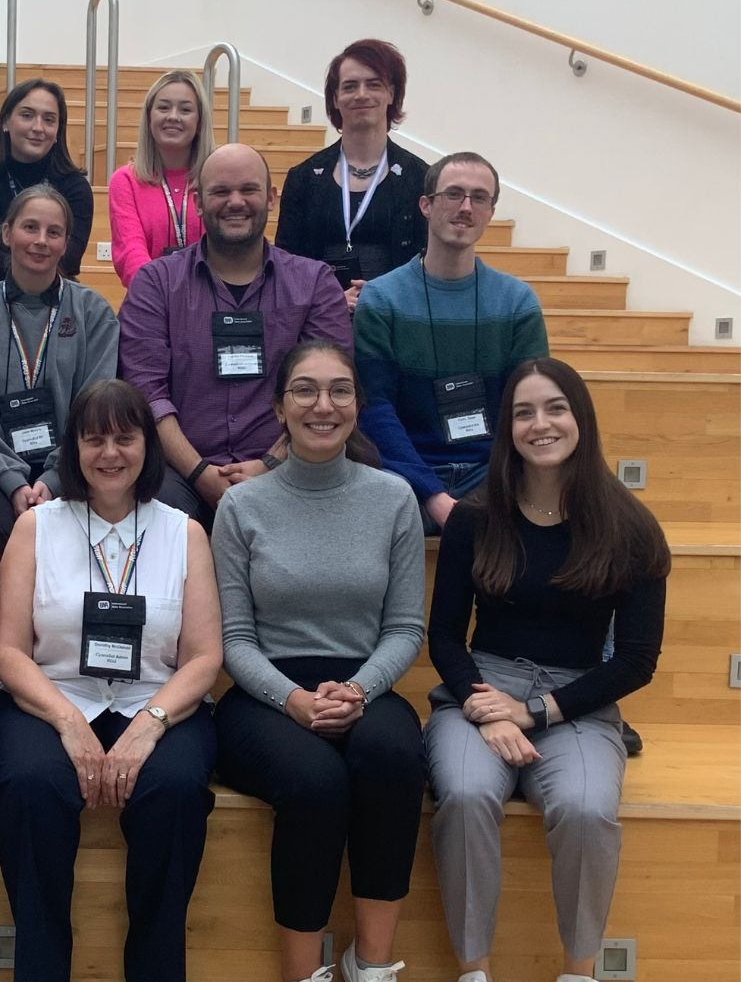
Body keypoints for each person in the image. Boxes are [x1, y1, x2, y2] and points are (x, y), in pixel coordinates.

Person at [424, 358, 670, 982]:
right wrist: (484, 707)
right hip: (481, 685)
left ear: (580, 417)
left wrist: (536, 713)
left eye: (555, 407)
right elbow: (445, 637)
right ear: (507, 428)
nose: (541, 424)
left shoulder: (631, 528)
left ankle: (577, 972)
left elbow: (638, 660)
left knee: (588, 810)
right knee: (464, 793)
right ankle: (473, 971)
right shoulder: (476, 520)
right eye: (524, 412)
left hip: (578, 700)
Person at [0, 378, 223, 982]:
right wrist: (66, 721)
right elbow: (9, 651)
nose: (110, 453)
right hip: (50, 698)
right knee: (31, 784)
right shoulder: (36, 528)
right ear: (73, 449)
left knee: (173, 790)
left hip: (156, 699)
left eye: (125, 437)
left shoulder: (184, 531)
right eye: (94, 439)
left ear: (149, 446)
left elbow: (202, 657)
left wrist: (150, 725)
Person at [211, 340, 426, 982]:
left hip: (366, 683)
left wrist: (359, 690)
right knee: (314, 782)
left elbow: (405, 625)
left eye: (339, 390)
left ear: (358, 405)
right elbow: (236, 639)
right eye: (304, 390)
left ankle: (372, 966)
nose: (322, 405)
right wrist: (294, 701)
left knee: (392, 757)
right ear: (280, 407)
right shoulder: (241, 506)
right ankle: (303, 974)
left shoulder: (394, 499)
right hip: (264, 694)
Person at [118, 143, 351, 528]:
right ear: (197, 202)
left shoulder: (315, 284)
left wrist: (269, 464)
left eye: (249, 190)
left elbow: (323, 392)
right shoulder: (156, 283)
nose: (236, 202)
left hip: (288, 465)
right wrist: (199, 473)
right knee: (148, 506)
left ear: (271, 198)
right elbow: (148, 394)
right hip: (179, 476)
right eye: (221, 192)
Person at [354, 150, 548, 532]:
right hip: (403, 478)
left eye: (479, 198)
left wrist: (494, 484)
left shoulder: (516, 302)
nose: (465, 207)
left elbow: (528, 405)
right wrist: (431, 493)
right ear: (426, 205)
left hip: (493, 476)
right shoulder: (382, 299)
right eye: (453, 194)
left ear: (491, 213)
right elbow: (375, 409)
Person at [0, 184, 119, 551]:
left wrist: (56, 476)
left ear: (66, 243)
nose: (41, 241)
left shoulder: (95, 314)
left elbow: (96, 407)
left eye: (53, 232)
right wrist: (11, 481)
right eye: (30, 227)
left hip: (77, 467)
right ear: (7, 233)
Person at [274, 39, 428, 314]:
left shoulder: (420, 177)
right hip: (319, 321)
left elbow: (427, 263)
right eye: (350, 86)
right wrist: (330, 300)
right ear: (335, 98)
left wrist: (382, 295)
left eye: (374, 84)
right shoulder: (304, 177)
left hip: (396, 321)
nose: (361, 94)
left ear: (391, 93)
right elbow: (287, 264)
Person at [0, 78, 94, 286]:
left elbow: (70, 258)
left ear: (58, 131)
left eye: (49, 120)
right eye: (27, 115)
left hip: (60, 293)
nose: (38, 127)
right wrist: (34, 267)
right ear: (5, 122)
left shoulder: (76, 187)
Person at [108, 69, 214, 287]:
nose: (173, 116)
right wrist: (161, 297)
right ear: (149, 117)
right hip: (150, 304)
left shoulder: (218, 177)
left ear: (200, 121)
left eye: (185, 109)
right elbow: (130, 253)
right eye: (163, 107)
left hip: (213, 302)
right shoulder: (125, 181)